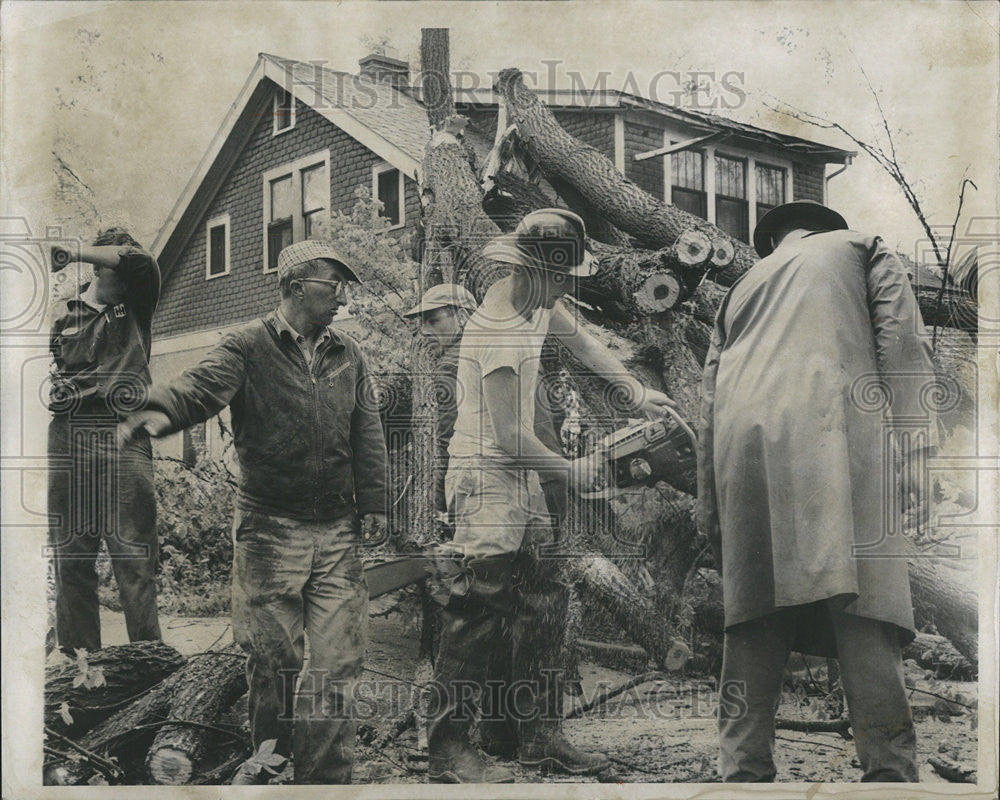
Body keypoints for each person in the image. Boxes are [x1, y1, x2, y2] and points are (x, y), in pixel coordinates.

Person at [119, 240, 387, 785]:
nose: (341, 297)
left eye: (343, 287)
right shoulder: (246, 346)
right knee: (273, 664)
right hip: (269, 531)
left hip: (337, 529)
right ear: (294, 288)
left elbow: (368, 431)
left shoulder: (348, 354)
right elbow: (198, 388)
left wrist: (376, 501)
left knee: (338, 664)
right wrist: (156, 412)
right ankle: (270, 760)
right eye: (331, 286)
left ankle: (324, 781)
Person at [427, 209, 676, 783]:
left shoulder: (537, 295)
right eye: (561, 276)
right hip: (484, 474)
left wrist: (635, 393)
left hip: (522, 471)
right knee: (479, 607)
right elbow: (512, 436)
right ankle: (448, 748)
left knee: (546, 594)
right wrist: (572, 469)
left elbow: (581, 340)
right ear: (535, 268)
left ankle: (533, 735)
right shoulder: (499, 331)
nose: (568, 286)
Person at [698, 200, 937, 782]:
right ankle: (889, 773)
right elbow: (902, 346)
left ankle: (743, 773)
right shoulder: (862, 246)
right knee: (865, 601)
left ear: (773, 243)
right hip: (836, 429)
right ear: (828, 229)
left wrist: (710, 505)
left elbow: (707, 402)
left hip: (743, 446)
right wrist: (918, 454)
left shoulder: (739, 288)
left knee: (753, 610)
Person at [48, 227, 162, 656]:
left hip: (124, 432)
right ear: (99, 267)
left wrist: (74, 250)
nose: (129, 276)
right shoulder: (63, 311)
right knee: (71, 557)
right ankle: (81, 668)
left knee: (133, 555)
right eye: (116, 267)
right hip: (68, 435)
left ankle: (148, 665)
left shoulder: (137, 304)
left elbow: (138, 261)